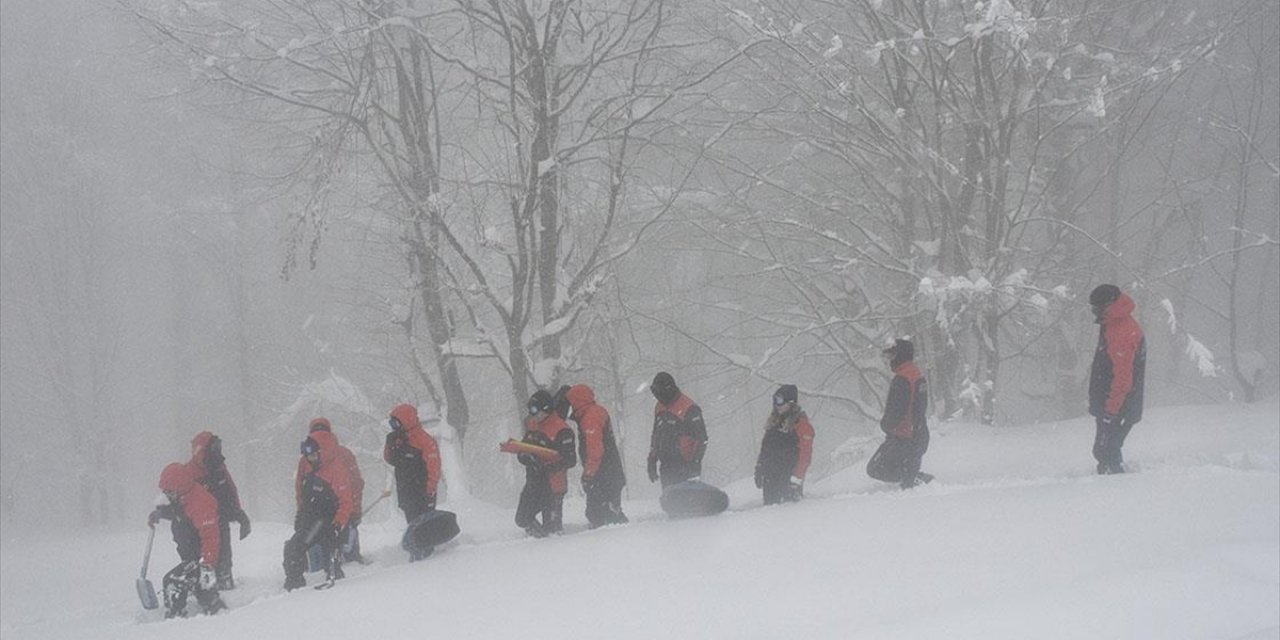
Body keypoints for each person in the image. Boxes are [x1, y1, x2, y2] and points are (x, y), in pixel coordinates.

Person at [148, 462, 227, 618]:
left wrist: (207, 565)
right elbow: (179, 513)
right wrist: (160, 514)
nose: (166, 495)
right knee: (202, 592)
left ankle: (176, 618)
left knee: (174, 581)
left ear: (179, 486)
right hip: (191, 556)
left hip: (202, 558)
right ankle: (214, 608)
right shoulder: (183, 497)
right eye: (165, 491)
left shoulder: (200, 503)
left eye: (169, 491)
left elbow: (211, 536)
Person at [1087, 284, 1147, 474]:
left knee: (1106, 451)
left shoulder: (1121, 331)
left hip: (1118, 405)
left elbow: (1123, 378)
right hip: (1115, 403)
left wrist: (1110, 411)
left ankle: (1114, 487)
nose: (1094, 312)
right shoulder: (1113, 325)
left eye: (1096, 308)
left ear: (1108, 305)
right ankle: (1113, 477)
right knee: (1107, 449)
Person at [283, 431, 354, 590]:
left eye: (314, 455)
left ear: (323, 453)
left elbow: (346, 502)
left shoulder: (337, 471)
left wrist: (338, 523)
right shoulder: (307, 466)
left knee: (331, 558)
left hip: (330, 523)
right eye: (308, 456)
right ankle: (294, 585)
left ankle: (339, 589)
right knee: (293, 549)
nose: (310, 459)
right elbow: (302, 494)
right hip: (310, 520)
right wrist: (299, 515)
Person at [866, 339, 934, 489]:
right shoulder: (916, 374)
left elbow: (897, 410)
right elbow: (919, 407)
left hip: (903, 438)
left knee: (875, 468)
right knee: (906, 477)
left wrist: (886, 426)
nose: (889, 360)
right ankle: (914, 478)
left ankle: (916, 479)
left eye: (892, 356)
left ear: (900, 355)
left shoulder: (902, 379)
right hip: (918, 435)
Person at [187, 431, 250, 589]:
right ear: (203, 450)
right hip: (197, 527)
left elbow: (230, 492)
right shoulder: (190, 473)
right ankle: (201, 588)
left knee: (224, 557)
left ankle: (225, 583)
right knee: (198, 558)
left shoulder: (219, 467)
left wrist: (240, 515)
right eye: (215, 448)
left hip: (220, 520)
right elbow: (177, 495)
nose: (219, 451)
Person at [383, 404, 443, 560]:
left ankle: (426, 554)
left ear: (405, 421)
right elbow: (390, 459)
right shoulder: (398, 440)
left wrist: (430, 488)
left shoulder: (425, 441)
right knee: (412, 523)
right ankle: (417, 552)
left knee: (423, 524)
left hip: (422, 491)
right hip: (406, 490)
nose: (394, 427)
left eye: (396, 423)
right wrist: (390, 445)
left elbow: (434, 467)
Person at [564, 384, 629, 528]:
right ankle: (621, 536)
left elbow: (595, 451)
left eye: (570, 403)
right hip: (610, 473)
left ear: (576, 401)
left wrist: (588, 475)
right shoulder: (596, 412)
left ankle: (608, 544)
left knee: (598, 516)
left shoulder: (590, 418)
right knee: (611, 511)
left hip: (602, 475)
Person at [515, 390, 577, 537]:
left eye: (535, 410)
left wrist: (546, 465)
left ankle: (551, 553)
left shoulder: (562, 430)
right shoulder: (533, 426)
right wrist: (526, 457)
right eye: (530, 411)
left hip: (553, 486)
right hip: (534, 483)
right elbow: (522, 449)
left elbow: (570, 459)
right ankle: (538, 542)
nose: (532, 414)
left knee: (553, 531)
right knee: (523, 518)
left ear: (546, 409)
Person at [305, 418, 365, 562]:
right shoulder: (345, 453)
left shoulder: (307, 458)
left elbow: (301, 488)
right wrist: (355, 509)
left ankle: (324, 563)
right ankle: (350, 559)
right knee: (348, 538)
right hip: (344, 507)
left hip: (319, 512)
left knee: (317, 540)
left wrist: (304, 512)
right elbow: (356, 483)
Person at [754, 384, 816, 505]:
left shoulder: (800, 424)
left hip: (789, 480)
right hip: (770, 479)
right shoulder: (774, 423)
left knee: (786, 517)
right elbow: (766, 449)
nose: (778, 405)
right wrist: (760, 469)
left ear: (790, 403)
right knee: (770, 514)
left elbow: (805, 455)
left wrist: (796, 479)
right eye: (775, 401)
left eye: (780, 401)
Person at [646, 371, 709, 488]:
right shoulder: (659, 407)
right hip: (666, 466)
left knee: (685, 505)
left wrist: (694, 464)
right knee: (669, 502)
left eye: (659, 393)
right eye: (655, 393)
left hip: (685, 466)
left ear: (668, 389)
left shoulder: (689, 408)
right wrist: (652, 459)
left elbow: (702, 439)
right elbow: (656, 435)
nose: (657, 397)